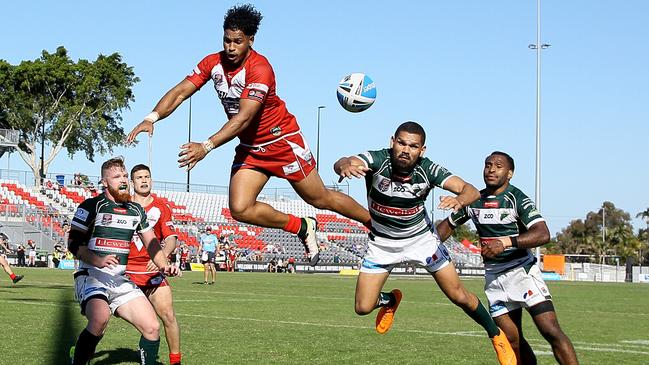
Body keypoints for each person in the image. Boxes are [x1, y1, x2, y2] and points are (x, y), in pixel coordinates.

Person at [126, 4, 370, 266]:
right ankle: (302, 226)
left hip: (281, 142)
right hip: (252, 147)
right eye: (227, 40)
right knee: (240, 208)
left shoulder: (260, 68)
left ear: (251, 40)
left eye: (238, 42)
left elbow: (243, 118)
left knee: (319, 198)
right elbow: (181, 91)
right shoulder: (212, 63)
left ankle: (375, 223)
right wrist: (152, 118)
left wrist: (206, 146)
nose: (231, 47)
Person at [334, 122, 515, 365]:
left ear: (422, 150)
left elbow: (470, 190)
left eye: (413, 146)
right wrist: (344, 163)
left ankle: (496, 335)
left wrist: (460, 199)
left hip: (422, 241)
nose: (405, 150)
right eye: (401, 143)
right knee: (362, 307)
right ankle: (390, 300)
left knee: (458, 295)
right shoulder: (378, 159)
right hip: (382, 244)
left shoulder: (428, 169)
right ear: (392, 142)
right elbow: (346, 160)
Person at [436, 151, 579, 365]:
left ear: (509, 173)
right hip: (494, 279)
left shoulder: (516, 198)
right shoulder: (474, 201)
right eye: (488, 165)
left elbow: (543, 234)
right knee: (512, 341)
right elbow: (444, 229)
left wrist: (505, 242)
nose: (492, 169)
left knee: (550, 330)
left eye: (498, 166)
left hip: (522, 272)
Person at [67, 157, 179, 365]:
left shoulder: (136, 211)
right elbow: (73, 244)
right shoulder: (92, 206)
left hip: (119, 280)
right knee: (100, 318)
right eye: (116, 176)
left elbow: (152, 244)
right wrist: (97, 260)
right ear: (104, 181)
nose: (123, 180)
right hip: (92, 277)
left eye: (125, 175)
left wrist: (165, 265)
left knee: (152, 327)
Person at [126, 164, 183, 365]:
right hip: (125, 273)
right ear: (132, 182)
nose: (144, 180)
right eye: (139, 177)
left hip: (152, 272)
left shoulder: (162, 207)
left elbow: (171, 239)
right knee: (101, 319)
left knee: (168, 316)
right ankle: (82, 351)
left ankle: (175, 361)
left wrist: (161, 257)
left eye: (147, 176)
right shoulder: (122, 205)